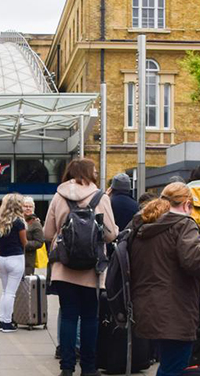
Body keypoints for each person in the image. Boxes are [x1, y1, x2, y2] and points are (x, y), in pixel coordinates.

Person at [129, 182, 200, 376]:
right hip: (175, 309)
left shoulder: (144, 223)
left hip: (148, 306)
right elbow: (196, 260)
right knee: (175, 366)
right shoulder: (183, 225)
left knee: (168, 363)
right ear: (186, 204)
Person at [43, 158, 118, 376]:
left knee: (68, 316)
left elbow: (48, 233)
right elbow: (111, 234)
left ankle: (66, 368)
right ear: (89, 173)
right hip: (91, 270)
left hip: (64, 268)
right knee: (89, 318)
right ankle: (88, 368)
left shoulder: (59, 196)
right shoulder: (100, 197)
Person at [0, 193, 28, 333]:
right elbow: (24, 242)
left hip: (1, 258)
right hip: (16, 258)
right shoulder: (19, 222)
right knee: (11, 293)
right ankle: (7, 322)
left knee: (5, 291)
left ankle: (2, 319)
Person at [23, 196, 44, 276]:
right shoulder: (17, 220)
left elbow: (39, 242)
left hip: (28, 260)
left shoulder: (36, 223)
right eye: (25, 206)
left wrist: (25, 244)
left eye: (30, 206)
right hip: (15, 257)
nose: (28, 208)